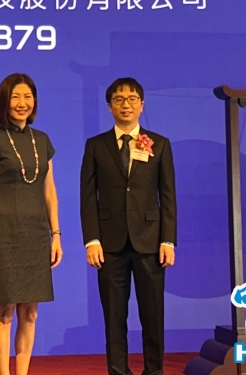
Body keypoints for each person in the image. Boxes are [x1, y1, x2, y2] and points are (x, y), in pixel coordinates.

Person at [80, 77, 177, 375]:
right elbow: (87, 197)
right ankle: (118, 372)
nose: (126, 104)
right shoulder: (96, 146)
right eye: (119, 99)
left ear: (142, 105)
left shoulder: (159, 144)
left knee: (153, 315)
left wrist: (168, 240)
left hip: (150, 242)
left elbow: (168, 195)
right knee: (114, 317)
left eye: (132, 99)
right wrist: (92, 240)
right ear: (109, 106)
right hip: (109, 245)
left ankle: (154, 371)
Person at [0, 73, 63, 375]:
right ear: (4, 101)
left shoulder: (42, 141)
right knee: (4, 313)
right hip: (4, 236)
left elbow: (50, 193)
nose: (22, 103)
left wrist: (55, 234)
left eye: (28, 97)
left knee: (31, 313)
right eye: (15, 97)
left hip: (36, 236)